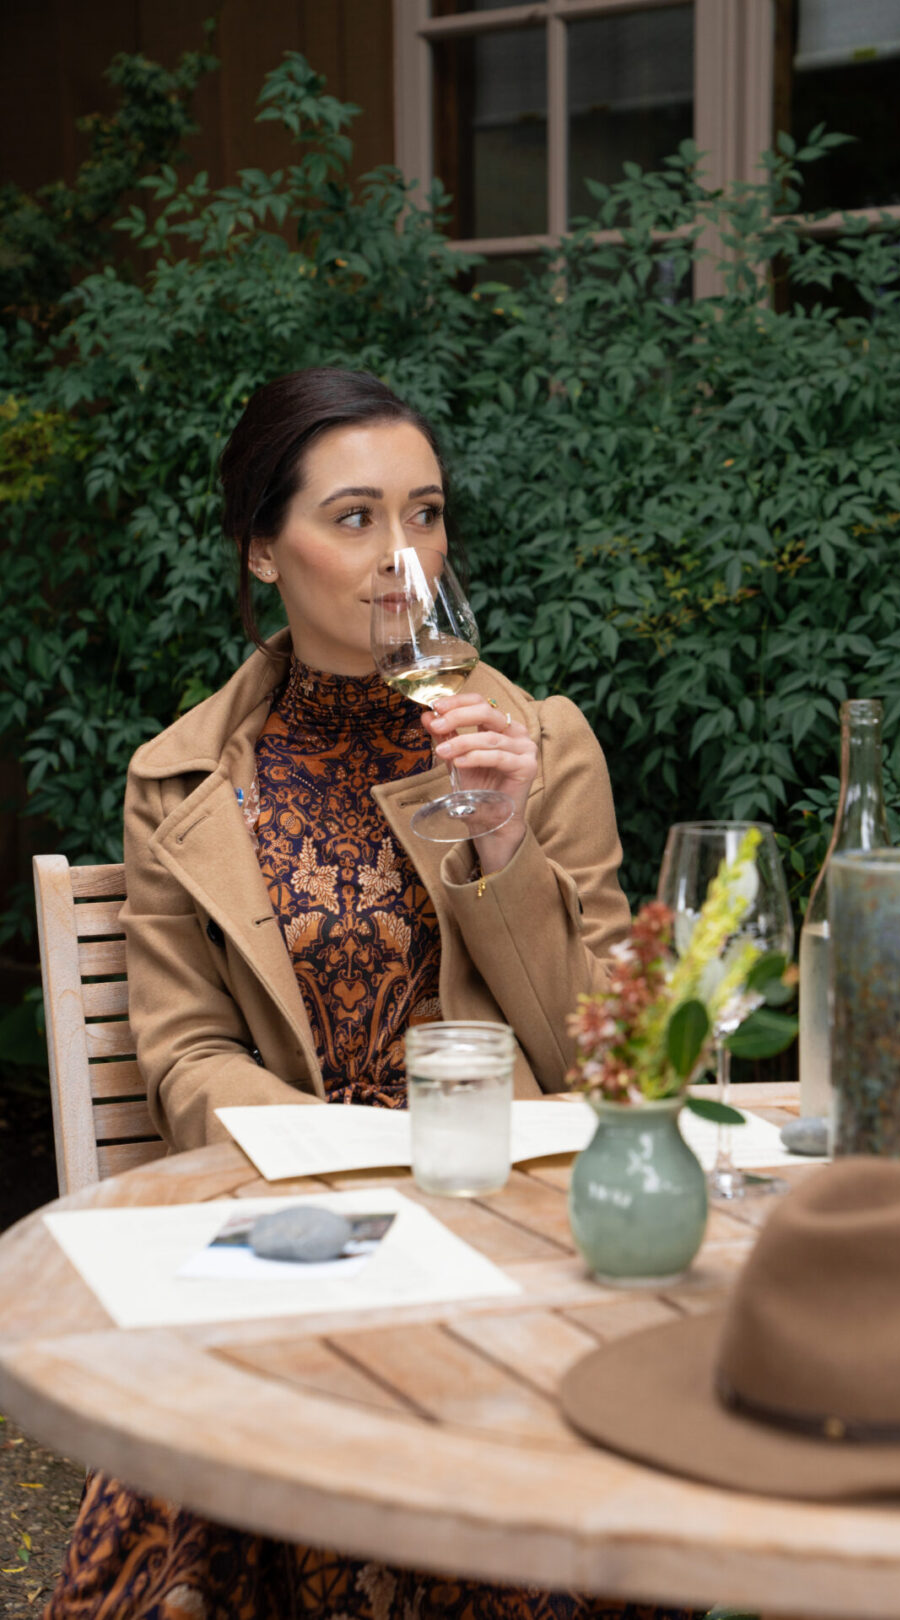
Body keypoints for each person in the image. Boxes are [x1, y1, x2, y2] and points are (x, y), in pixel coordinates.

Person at [46, 368, 691, 1620]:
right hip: (299, 1234)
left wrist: (505, 844)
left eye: (426, 514)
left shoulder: (538, 748)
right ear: (262, 549)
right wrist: (351, 1173)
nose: (404, 558)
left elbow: (603, 1058)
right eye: (355, 518)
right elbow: (186, 1059)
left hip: (511, 1231)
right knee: (203, 1461)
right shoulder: (180, 782)